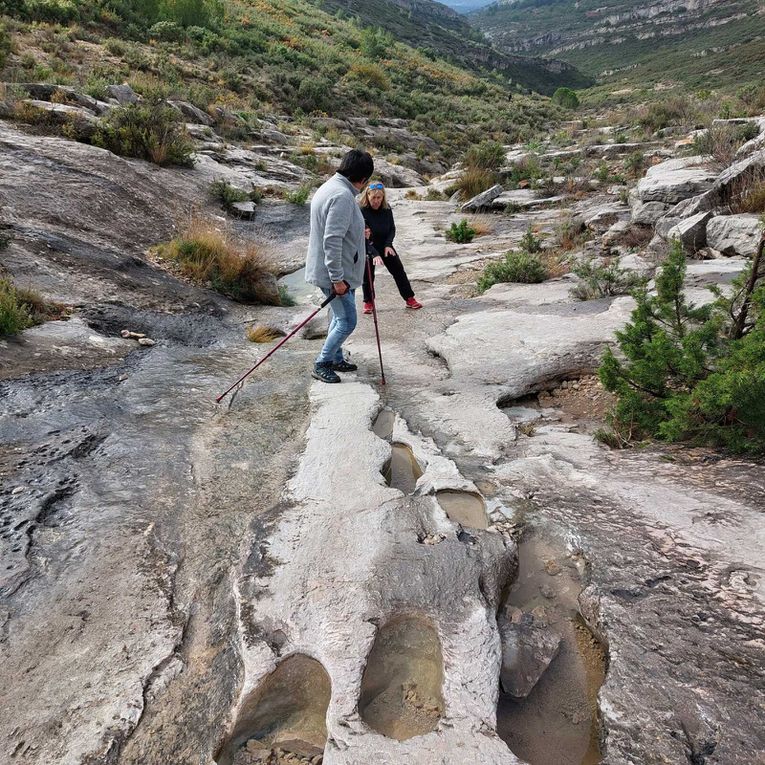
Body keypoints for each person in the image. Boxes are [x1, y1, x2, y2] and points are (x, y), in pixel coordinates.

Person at [305, 149, 374, 383]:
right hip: (335, 273)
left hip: (337, 269)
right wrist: (337, 278)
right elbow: (332, 239)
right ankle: (322, 362)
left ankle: (335, 357)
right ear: (364, 179)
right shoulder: (342, 196)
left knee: (338, 316)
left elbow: (337, 232)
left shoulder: (330, 187)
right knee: (347, 321)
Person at [359, 181, 422, 313]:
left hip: (385, 245)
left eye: (379, 197)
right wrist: (374, 254)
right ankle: (368, 302)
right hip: (368, 247)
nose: (376, 201)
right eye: (373, 197)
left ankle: (409, 298)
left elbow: (392, 229)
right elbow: (361, 236)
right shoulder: (361, 211)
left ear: (383, 197)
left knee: (399, 271)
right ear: (367, 196)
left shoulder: (386, 209)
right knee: (367, 275)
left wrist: (388, 245)